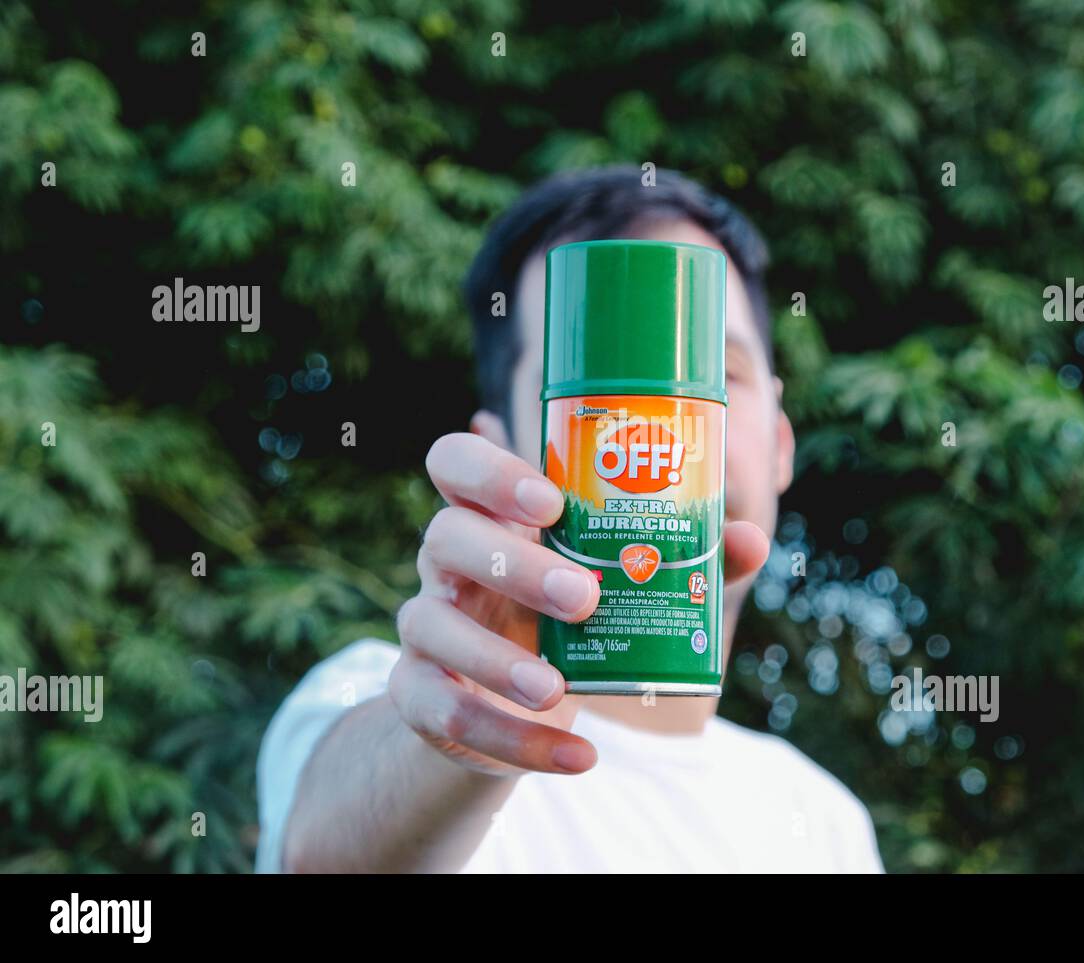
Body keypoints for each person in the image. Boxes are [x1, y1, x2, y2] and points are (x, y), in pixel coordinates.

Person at [255, 165, 885, 873]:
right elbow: (325, 853)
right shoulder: (394, 693)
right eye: (599, 388)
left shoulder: (826, 822)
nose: (663, 449)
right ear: (500, 451)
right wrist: (451, 740)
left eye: (716, 373)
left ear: (777, 441)